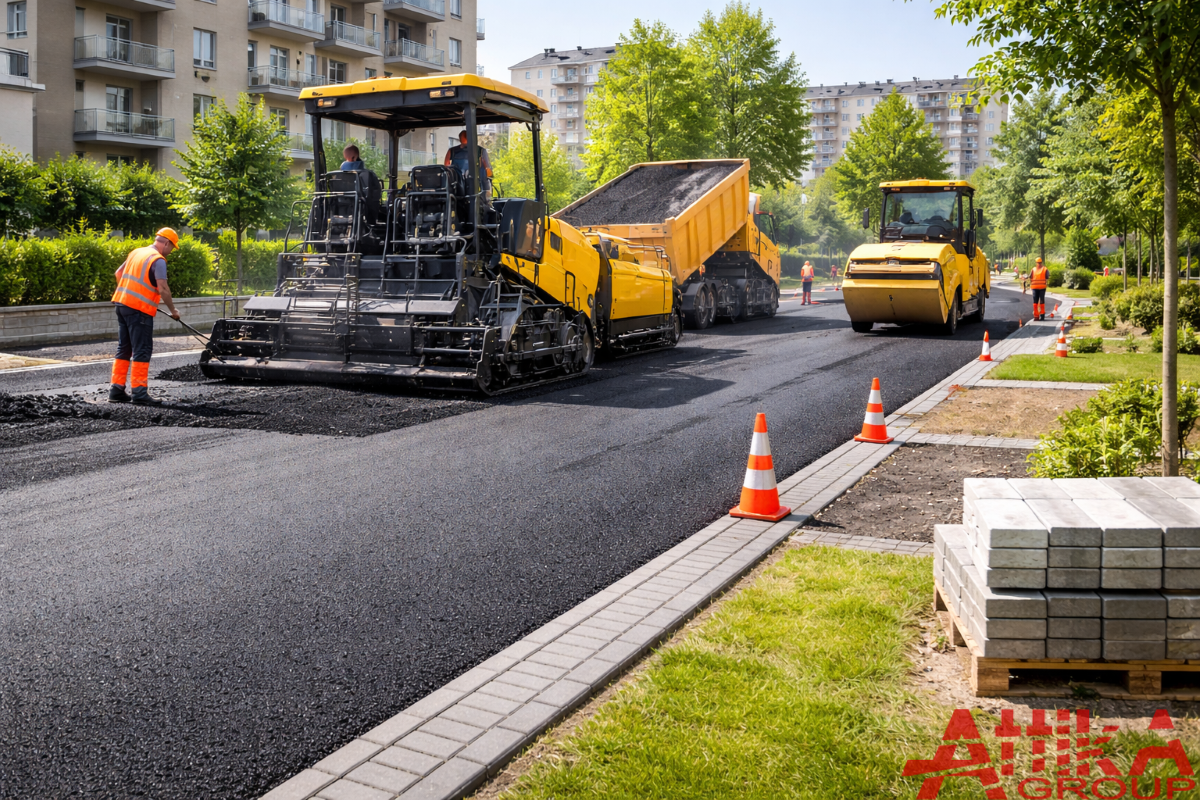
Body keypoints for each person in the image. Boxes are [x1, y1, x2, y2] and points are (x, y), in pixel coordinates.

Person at [110, 228, 180, 406]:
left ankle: (116, 390)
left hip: (122, 304)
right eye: (172, 247)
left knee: (124, 348)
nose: (171, 251)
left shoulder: (137, 252)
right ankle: (139, 392)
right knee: (142, 350)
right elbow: (162, 288)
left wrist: (129, 294)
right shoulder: (158, 260)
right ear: (166, 243)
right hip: (139, 310)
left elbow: (118, 273)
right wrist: (173, 311)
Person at [444, 130, 492, 204]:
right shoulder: (481, 151)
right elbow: (488, 171)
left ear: (460, 139)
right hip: (476, 190)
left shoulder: (452, 151)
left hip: (457, 190)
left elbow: (446, 167)